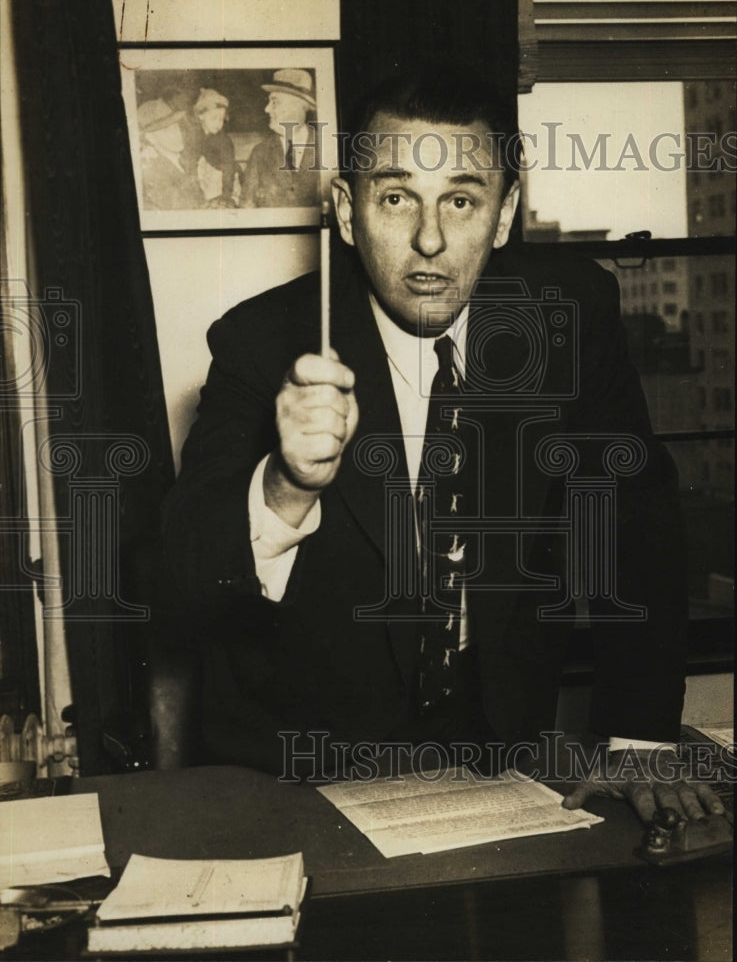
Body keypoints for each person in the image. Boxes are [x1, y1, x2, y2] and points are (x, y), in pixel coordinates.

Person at [162, 67, 724, 823]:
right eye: (395, 198)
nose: (429, 240)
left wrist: (638, 736)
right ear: (348, 210)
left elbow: (636, 526)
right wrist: (285, 486)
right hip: (294, 771)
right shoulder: (263, 341)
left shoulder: (568, 317)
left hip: (501, 759)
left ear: (502, 214)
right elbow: (179, 580)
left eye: (460, 200)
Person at [239, 68, 320, 208]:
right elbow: (247, 206)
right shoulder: (260, 153)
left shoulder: (327, 146)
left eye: (275, 102)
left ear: (298, 105)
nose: (267, 109)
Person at [137, 98, 205, 211]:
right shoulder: (154, 168)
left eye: (178, 125)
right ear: (150, 136)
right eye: (167, 127)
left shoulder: (183, 160)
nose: (177, 132)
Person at [193, 88, 238, 208]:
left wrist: (226, 196)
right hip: (205, 179)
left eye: (221, 119)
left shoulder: (223, 140)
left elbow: (229, 168)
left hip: (223, 182)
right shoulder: (197, 136)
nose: (219, 124)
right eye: (214, 118)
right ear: (200, 115)